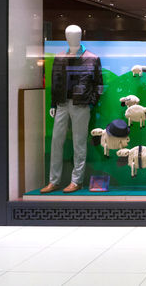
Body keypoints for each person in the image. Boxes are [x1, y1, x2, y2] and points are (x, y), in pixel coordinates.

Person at [40, 25, 103, 193]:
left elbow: (99, 84)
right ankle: (54, 181)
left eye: (75, 35)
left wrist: (91, 102)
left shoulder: (92, 58)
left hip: (81, 105)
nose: (72, 38)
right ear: (66, 37)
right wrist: (53, 104)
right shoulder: (60, 57)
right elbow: (55, 81)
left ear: (80, 36)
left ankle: (77, 180)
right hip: (61, 104)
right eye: (69, 35)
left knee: (79, 143)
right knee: (56, 142)